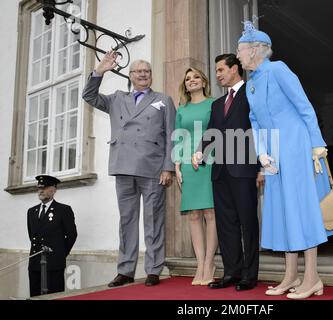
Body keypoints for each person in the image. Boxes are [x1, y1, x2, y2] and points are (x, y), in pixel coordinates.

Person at [236, 21, 333, 299]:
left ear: (256, 50)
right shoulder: (251, 85)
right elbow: (255, 122)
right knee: (282, 212)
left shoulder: (278, 70)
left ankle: (313, 277)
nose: (238, 55)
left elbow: (305, 107)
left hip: (296, 146)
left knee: (302, 210)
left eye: (240, 49)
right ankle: (291, 276)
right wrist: (260, 152)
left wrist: (317, 145)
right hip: (274, 155)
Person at [82, 52, 176, 287]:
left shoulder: (163, 99)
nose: (143, 74)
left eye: (147, 71)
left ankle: (154, 269)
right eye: (138, 71)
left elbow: (172, 136)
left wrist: (168, 167)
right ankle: (125, 270)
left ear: (151, 76)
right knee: (127, 220)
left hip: (153, 168)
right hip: (123, 166)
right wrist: (99, 71)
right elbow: (89, 96)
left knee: (154, 220)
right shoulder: (116, 99)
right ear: (130, 75)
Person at [192, 54, 264, 291]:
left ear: (235, 69)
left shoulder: (252, 94)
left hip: (244, 169)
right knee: (226, 224)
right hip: (220, 172)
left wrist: (263, 166)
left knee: (247, 223)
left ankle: (249, 275)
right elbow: (211, 133)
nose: (218, 74)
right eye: (217, 70)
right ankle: (232, 272)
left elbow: (260, 129)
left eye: (221, 69)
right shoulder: (216, 104)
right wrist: (199, 152)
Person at [173, 67, 218, 286]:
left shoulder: (213, 104)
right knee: (193, 214)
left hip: (209, 160)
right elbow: (178, 138)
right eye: (188, 78)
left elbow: (218, 133)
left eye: (196, 77)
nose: (192, 81)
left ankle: (210, 263)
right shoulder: (182, 109)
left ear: (204, 81)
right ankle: (199, 264)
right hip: (188, 165)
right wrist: (177, 165)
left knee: (210, 212)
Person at [27, 175, 77, 297]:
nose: (41, 190)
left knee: (54, 296)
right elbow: (32, 235)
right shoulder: (31, 211)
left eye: (44, 187)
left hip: (54, 264)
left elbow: (71, 235)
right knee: (35, 295)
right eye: (39, 188)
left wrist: (59, 254)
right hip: (35, 263)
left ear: (54, 189)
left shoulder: (63, 210)